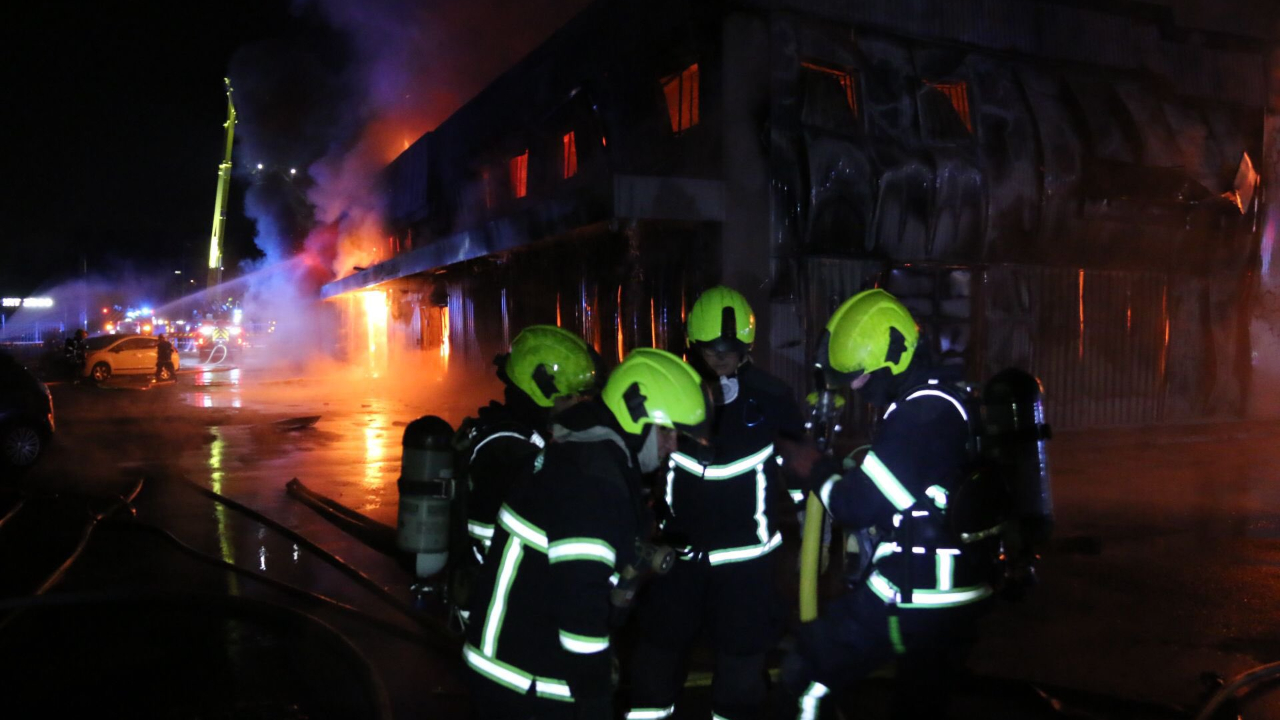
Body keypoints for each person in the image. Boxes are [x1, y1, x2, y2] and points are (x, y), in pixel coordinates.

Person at [774, 289, 996, 720]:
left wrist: (814, 468)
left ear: (891, 358)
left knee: (809, 670)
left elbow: (857, 505)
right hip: (947, 595)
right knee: (918, 704)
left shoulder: (922, 414)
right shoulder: (936, 402)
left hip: (919, 598)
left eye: (859, 374)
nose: (855, 386)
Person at [464, 348, 708, 720]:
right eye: (668, 432)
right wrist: (595, 701)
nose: (673, 447)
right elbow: (581, 611)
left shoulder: (589, 454)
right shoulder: (593, 482)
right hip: (526, 682)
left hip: (515, 669)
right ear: (635, 415)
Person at [628, 286, 805, 720]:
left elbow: (801, 469)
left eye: (729, 349)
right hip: (678, 557)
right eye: (710, 349)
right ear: (693, 345)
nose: (720, 358)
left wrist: (811, 531)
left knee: (741, 677)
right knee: (655, 664)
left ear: (746, 345)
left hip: (746, 565)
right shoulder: (672, 391)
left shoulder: (772, 397)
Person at [451, 325, 601, 624]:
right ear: (542, 389)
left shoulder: (516, 436)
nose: (579, 408)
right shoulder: (508, 452)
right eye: (572, 398)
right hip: (499, 611)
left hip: (503, 596)